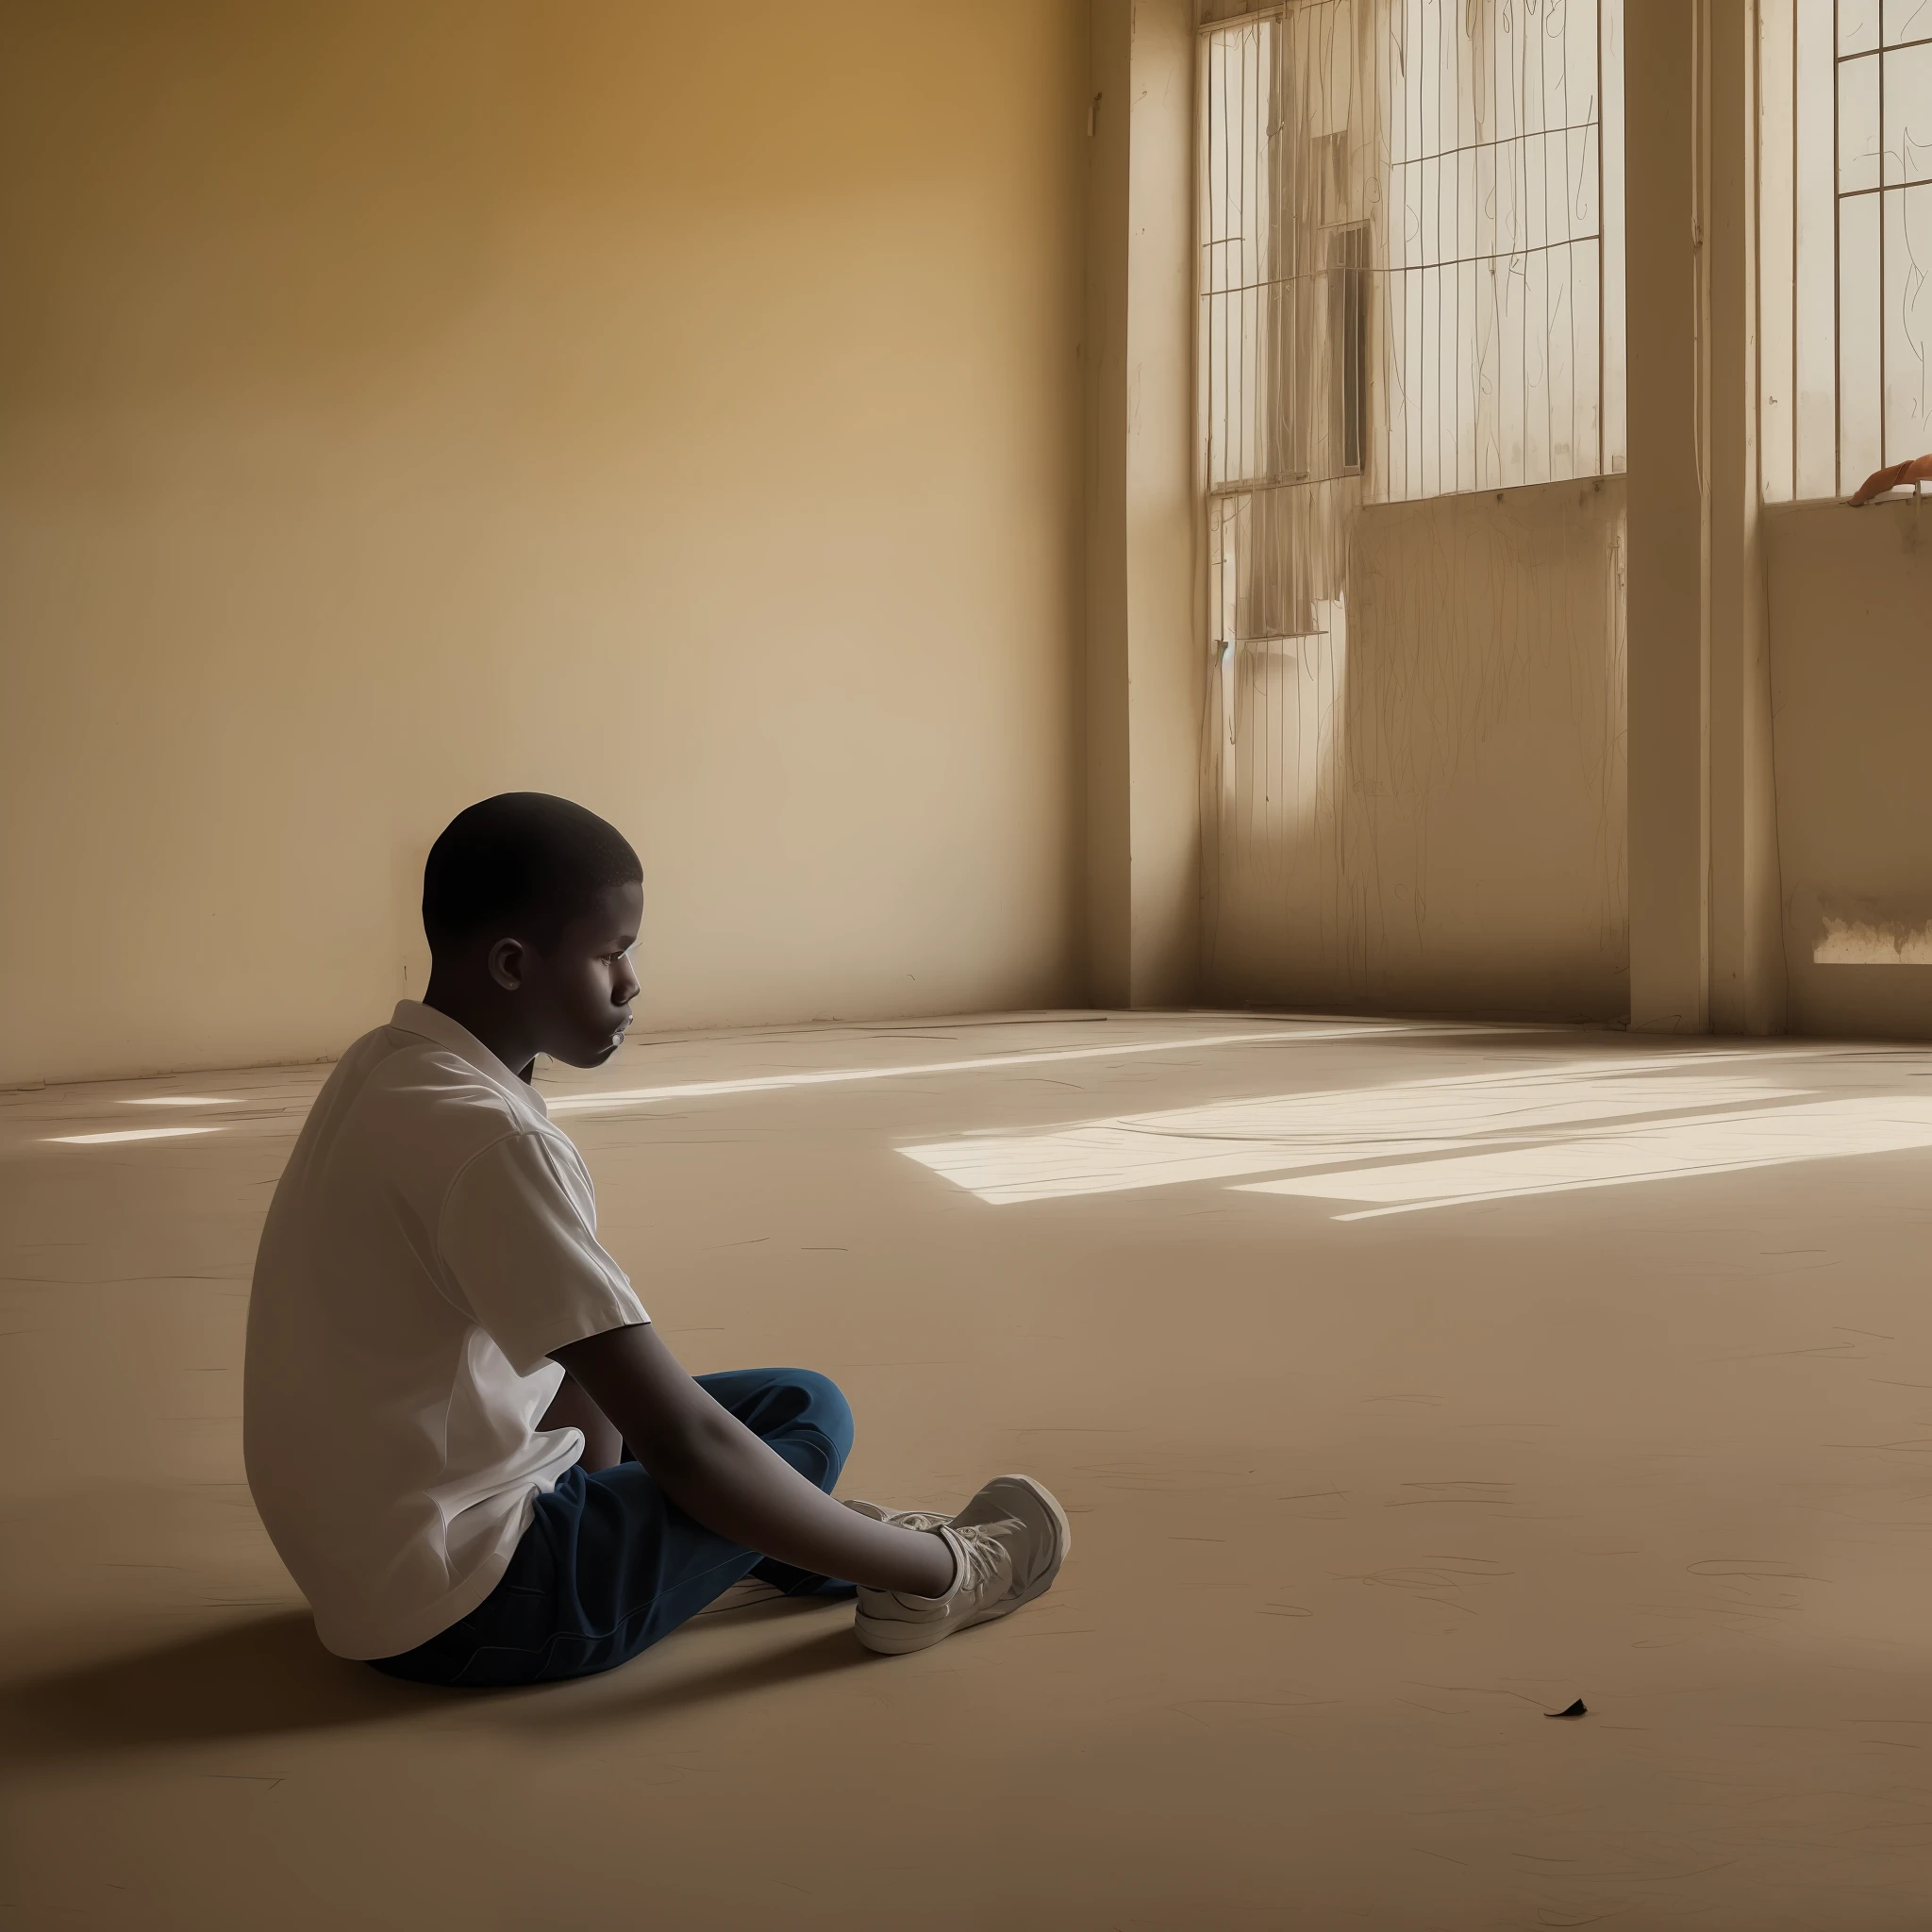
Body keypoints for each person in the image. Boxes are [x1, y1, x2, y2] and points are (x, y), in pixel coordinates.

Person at [242, 791, 1068, 1688]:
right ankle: (930, 1576)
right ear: (514, 965)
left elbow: (578, 1363)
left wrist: (605, 1481)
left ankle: (813, 1543)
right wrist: (954, 1574)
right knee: (795, 1429)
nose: (632, 982)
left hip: (383, 1559)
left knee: (790, 1401)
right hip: (477, 1608)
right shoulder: (489, 1143)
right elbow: (682, 1445)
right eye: (610, 954)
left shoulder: (393, 1066)